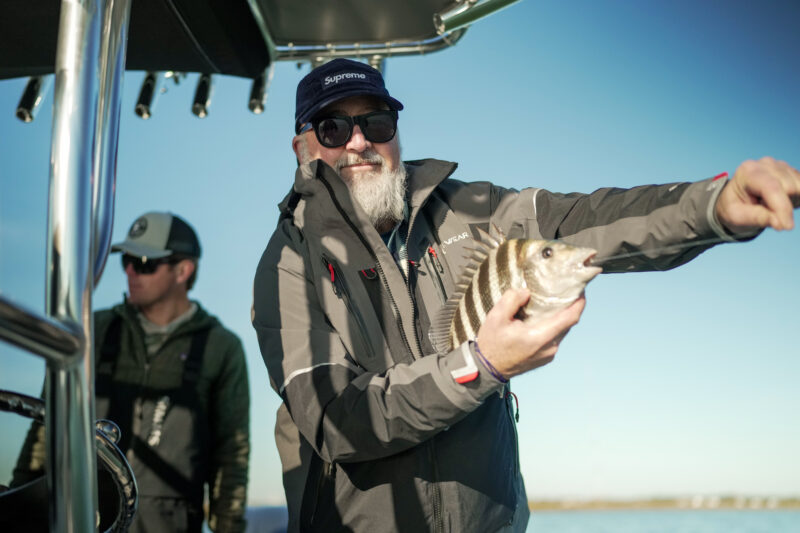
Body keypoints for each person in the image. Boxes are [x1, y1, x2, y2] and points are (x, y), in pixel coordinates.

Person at [251, 58, 799, 532]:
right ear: (302, 146)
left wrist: (713, 206)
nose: (359, 141)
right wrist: (478, 365)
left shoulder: (471, 208)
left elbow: (582, 221)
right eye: (332, 127)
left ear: (396, 130)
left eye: (376, 120)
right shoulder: (288, 263)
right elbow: (336, 420)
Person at [13, 211, 251, 533]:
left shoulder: (221, 347)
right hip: (85, 521)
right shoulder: (91, 331)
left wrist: (229, 528)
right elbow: (45, 429)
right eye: (125, 260)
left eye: (143, 263)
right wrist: (15, 511)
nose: (129, 271)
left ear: (183, 270)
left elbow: (231, 455)